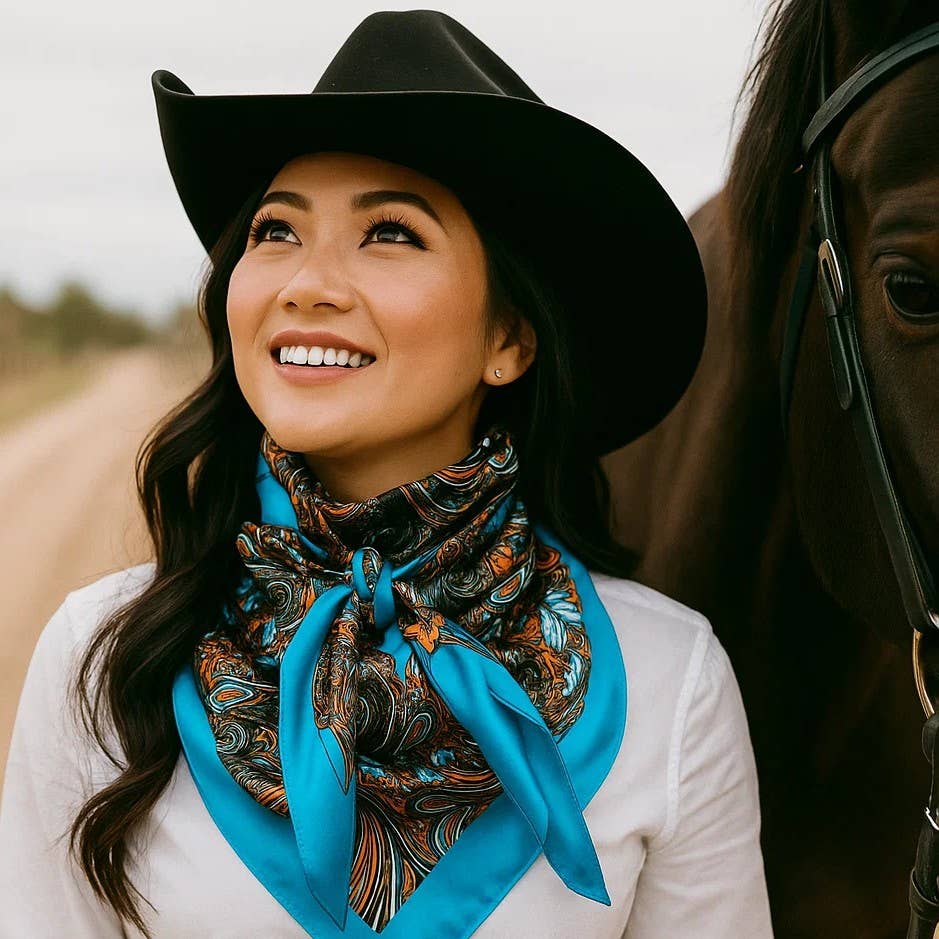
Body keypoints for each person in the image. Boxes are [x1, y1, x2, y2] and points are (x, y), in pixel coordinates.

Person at [0, 10, 774, 938]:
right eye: (275, 230)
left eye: (390, 234)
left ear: (509, 336)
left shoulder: (667, 680)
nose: (304, 283)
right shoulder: (104, 655)